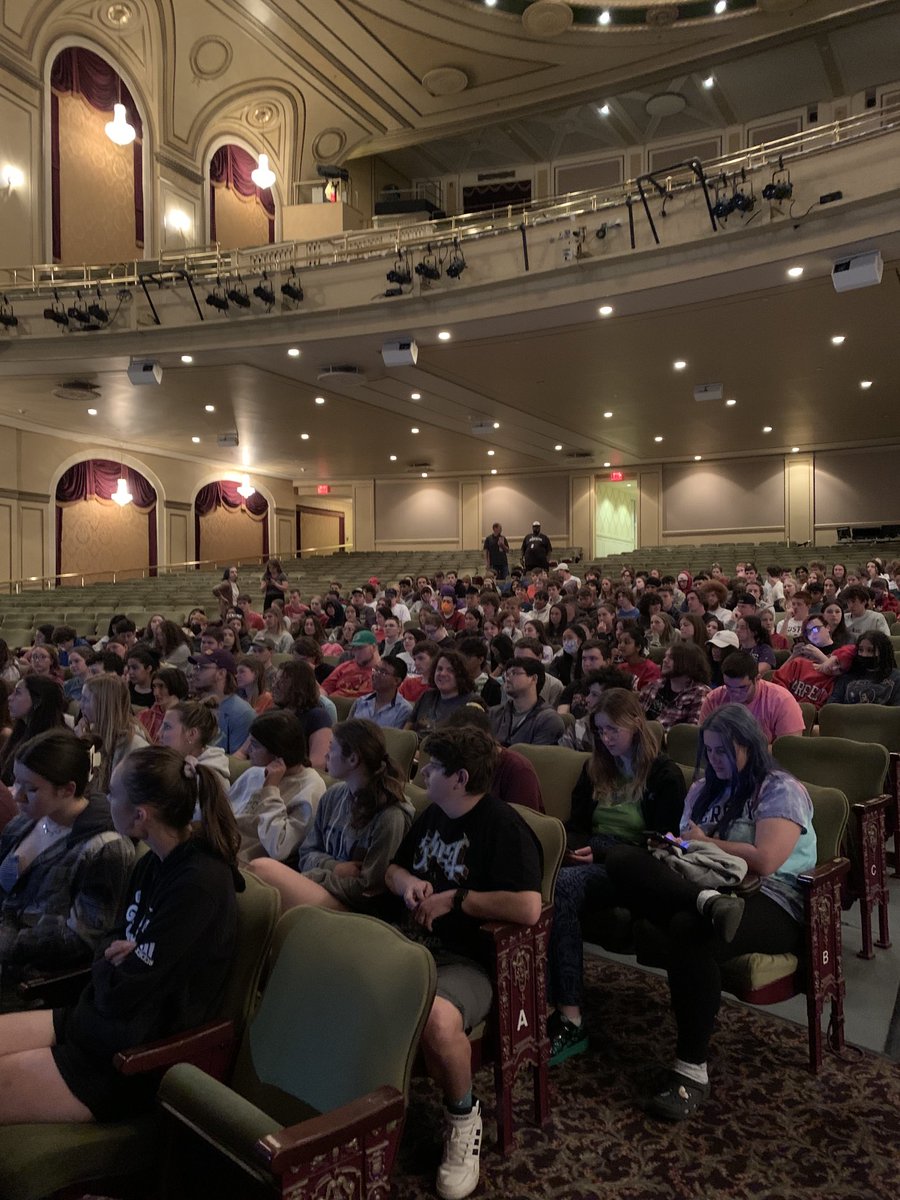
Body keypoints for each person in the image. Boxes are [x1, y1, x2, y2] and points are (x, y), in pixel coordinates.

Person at [0, 744, 243, 1125]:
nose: (103, 799)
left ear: (140, 816)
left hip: (126, 1059)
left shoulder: (200, 884)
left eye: (113, 794)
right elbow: (106, 949)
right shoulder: (151, 862)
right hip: (91, 1022)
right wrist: (117, 959)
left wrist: (118, 961)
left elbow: (123, 992)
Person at [603, 705, 816, 1120]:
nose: (715, 760)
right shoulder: (704, 788)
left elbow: (767, 860)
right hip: (707, 887)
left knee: (690, 930)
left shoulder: (778, 788)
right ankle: (704, 904)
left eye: (723, 752)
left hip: (772, 899)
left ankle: (691, 1071)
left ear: (749, 747)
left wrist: (705, 842)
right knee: (619, 859)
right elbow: (686, 844)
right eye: (710, 751)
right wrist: (674, 845)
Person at [384, 725, 543, 1200]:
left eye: (431, 768)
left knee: (436, 1017)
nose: (421, 773)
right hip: (411, 943)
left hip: (468, 962)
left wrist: (458, 899)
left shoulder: (503, 827)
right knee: (340, 973)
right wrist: (407, 884)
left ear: (460, 778)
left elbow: (528, 908)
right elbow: (393, 869)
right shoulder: (434, 814)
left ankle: (463, 1117)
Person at [547, 689, 687, 1064]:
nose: (606, 739)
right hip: (593, 850)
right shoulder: (596, 767)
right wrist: (560, 845)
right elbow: (578, 824)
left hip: (633, 864)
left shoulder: (663, 774)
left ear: (635, 725)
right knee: (537, 879)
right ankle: (538, 998)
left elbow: (666, 841)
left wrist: (604, 853)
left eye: (612, 731)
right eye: (600, 732)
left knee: (560, 888)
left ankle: (570, 1018)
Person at [0, 729, 135, 1006]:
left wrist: (7, 941)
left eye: (31, 789)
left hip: (35, 979)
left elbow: (82, 938)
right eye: (17, 782)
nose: (17, 797)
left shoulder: (105, 848)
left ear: (68, 789)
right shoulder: (26, 822)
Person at [248, 719, 414, 914]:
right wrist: (334, 868)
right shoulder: (333, 795)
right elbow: (306, 853)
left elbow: (368, 889)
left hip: (355, 907)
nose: (326, 754)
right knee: (259, 883)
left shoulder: (390, 816)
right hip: (324, 887)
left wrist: (314, 876)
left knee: (263, 871)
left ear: (353, 759)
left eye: (332, 748)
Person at [227, 710, 325, 862]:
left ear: (278, 752)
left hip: (244, 863)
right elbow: (223, 813)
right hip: (219, 845)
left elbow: (279, 848)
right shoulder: (254, 772)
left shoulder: (311, 788)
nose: (248, 751)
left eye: (255, 745)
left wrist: (270, 790)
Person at [699, 651, 805, 741]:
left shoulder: (782, 700)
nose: (735, 694)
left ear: (757, 679)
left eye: (742, 688)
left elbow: (789, 751)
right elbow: (703, 740)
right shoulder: (714, 698)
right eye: (729, 687)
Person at [78, 674, 148, 796]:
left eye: (86, 700)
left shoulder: (134, 745)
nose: (80, 705)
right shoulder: (93, 731)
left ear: (104, 705)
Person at [770, 615, 856, 710]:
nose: (812, 635)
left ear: (827, 627)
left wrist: (821, 657)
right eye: (808, 633)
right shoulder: (801, 661)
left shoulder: (836, 680)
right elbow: (777, 680)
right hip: (783, 707)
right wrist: (793, 656)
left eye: (815, 630)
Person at [188, 648, 256, 754]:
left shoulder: (242, 713)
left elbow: (235, 764)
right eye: (195, 667)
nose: (194, 672)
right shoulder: (195, 706)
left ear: (221, 673)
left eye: (201, 667)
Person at [271, 660, 333, 770]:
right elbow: (243, 751)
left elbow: (319, 762)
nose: (274, 686)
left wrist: (283, 771)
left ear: (299, 686)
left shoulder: (317, 716)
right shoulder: (273, 712)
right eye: (275, 680)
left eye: (282, 682)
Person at [489, 657, 564, 747]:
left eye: (514, 673)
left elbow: (536, 757)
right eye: (506, 674)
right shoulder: (494, 713)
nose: (507, 679)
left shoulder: (548, 719)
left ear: (533, 679)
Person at [406, 650, 478, 738]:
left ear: (461, 675)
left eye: (450, 670)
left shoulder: (471, 703)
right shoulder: (427, 696)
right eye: (439, 669)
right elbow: (409, 724)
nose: (443, 674)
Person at [640, 642, 711, 730]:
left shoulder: (699, 692)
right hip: (643, 736)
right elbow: (637, 712)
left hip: (669, 741)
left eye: (671, 658)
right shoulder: (656, 684)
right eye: (665, 656)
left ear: (687, 663)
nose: (665, 660)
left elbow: (692, 732)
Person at [158, 698, 230, 784]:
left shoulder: (209, 780)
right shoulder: (171, 762)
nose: (158, 733)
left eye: (167, 727)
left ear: (192, 734)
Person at [825, 631, 900, 706]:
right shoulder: (847, 676)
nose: (864, 654)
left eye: (870, 651)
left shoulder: (896, 678)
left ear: (882, 653)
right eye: (860, 650)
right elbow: (832, 707)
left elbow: (896, 712)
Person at [349, 655, 414, 729]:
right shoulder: (361, 701)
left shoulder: (403, 710)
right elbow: (346, 730)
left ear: (397, 681)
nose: (376, 674)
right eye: (376, 669)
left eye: (383, 672)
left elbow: (396, 739)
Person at [320, 629, 380, 698]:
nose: (356, 653)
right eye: (354, 649)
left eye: (360, 648)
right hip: (333, 704)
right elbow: (325, 688)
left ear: (374, 647)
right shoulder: (346, 666)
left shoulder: (382, 672)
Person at [138, 666, 190, 744]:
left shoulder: (186, 718)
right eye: (154, 686)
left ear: (174, 685)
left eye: (161, 686)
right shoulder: (144, 715)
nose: (155, 693)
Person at [615, 621, 661, 691]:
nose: (621, 645)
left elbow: (647, 697)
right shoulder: (620, 668)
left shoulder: (650, 669)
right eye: (620, 642)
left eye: (626, 642)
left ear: (638, 647)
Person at [124, 645, 158, 709]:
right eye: (129, 668)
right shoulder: (127, 688)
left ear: (148, 668)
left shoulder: (157, 692)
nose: (130, 672)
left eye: (135, 668)